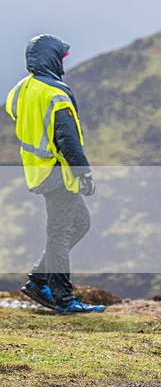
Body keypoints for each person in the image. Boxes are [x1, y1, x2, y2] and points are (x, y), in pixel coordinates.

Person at [4, 34, 105, 314]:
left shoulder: (24, 88)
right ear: (51, 59)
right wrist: (84, 173)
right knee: (59, 235)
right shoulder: (56, 94)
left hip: (37, 170)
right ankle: (63, 300)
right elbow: (68, 141)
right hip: (58, 172)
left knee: (80, 223)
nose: (63, 62)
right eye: (61, 57)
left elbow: (13, 109)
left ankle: (38, 279)